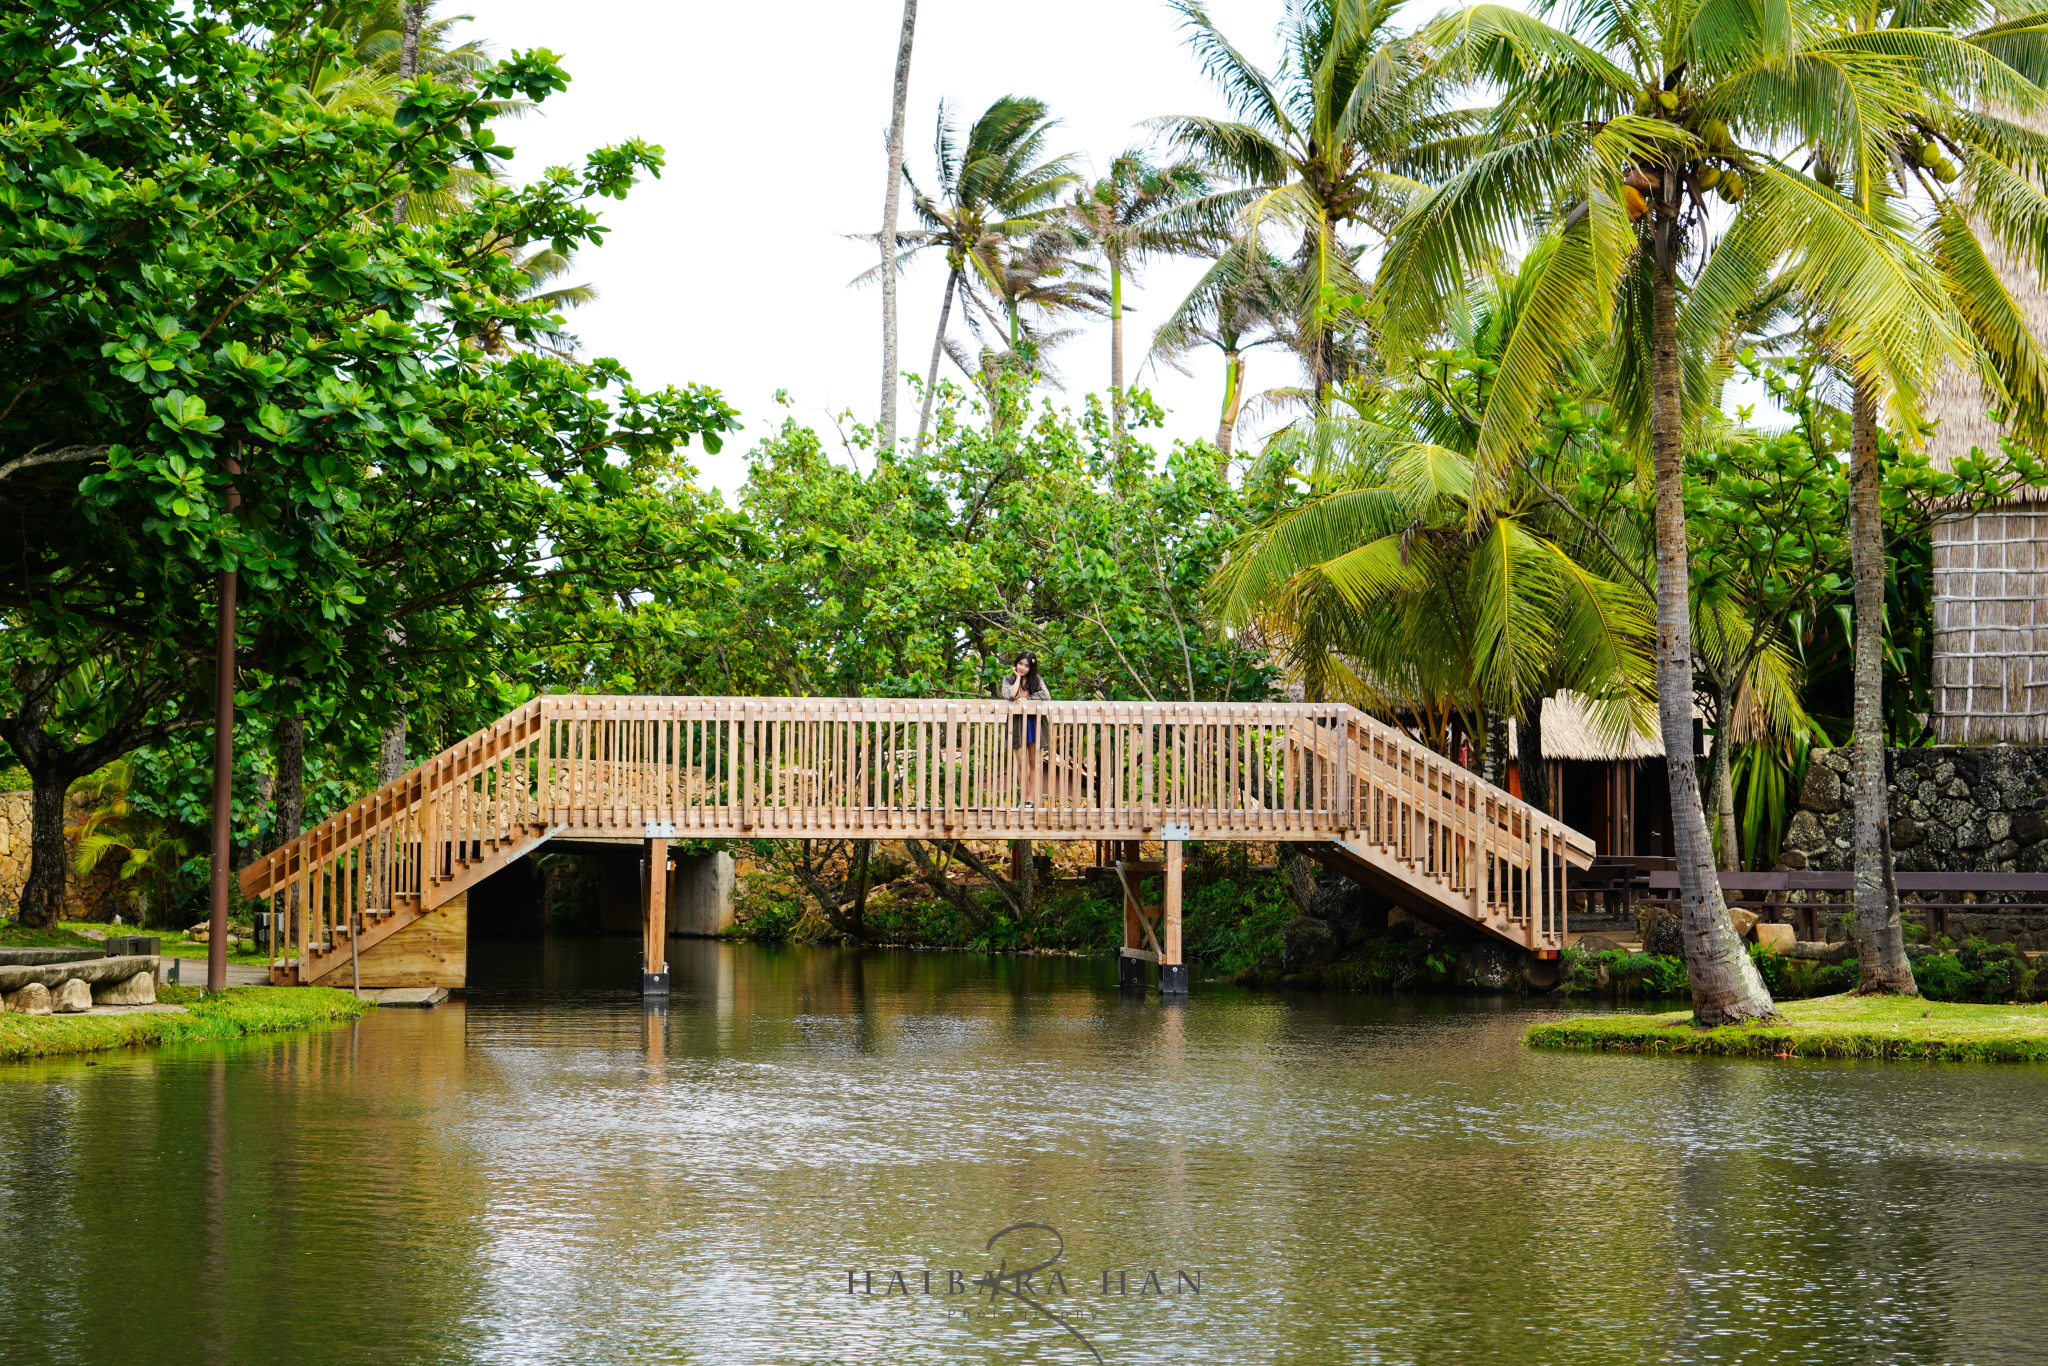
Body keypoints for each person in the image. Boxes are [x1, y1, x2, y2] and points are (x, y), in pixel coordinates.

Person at [1000, 653, 1051, 808]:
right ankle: (1024, 798)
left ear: (1031, 667)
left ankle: (1031, 799)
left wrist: (1027, 700)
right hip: (1017, 723)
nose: (1022, 667)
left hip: (1034, 722)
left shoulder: (1036, 680)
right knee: (1021, 762)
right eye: (1020, 663)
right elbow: (1009, 695)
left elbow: (1046, 696)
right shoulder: (1009, 679)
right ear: (1016, 663)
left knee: (1034, 762)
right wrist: (1017, 679)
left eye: (1027, 665)